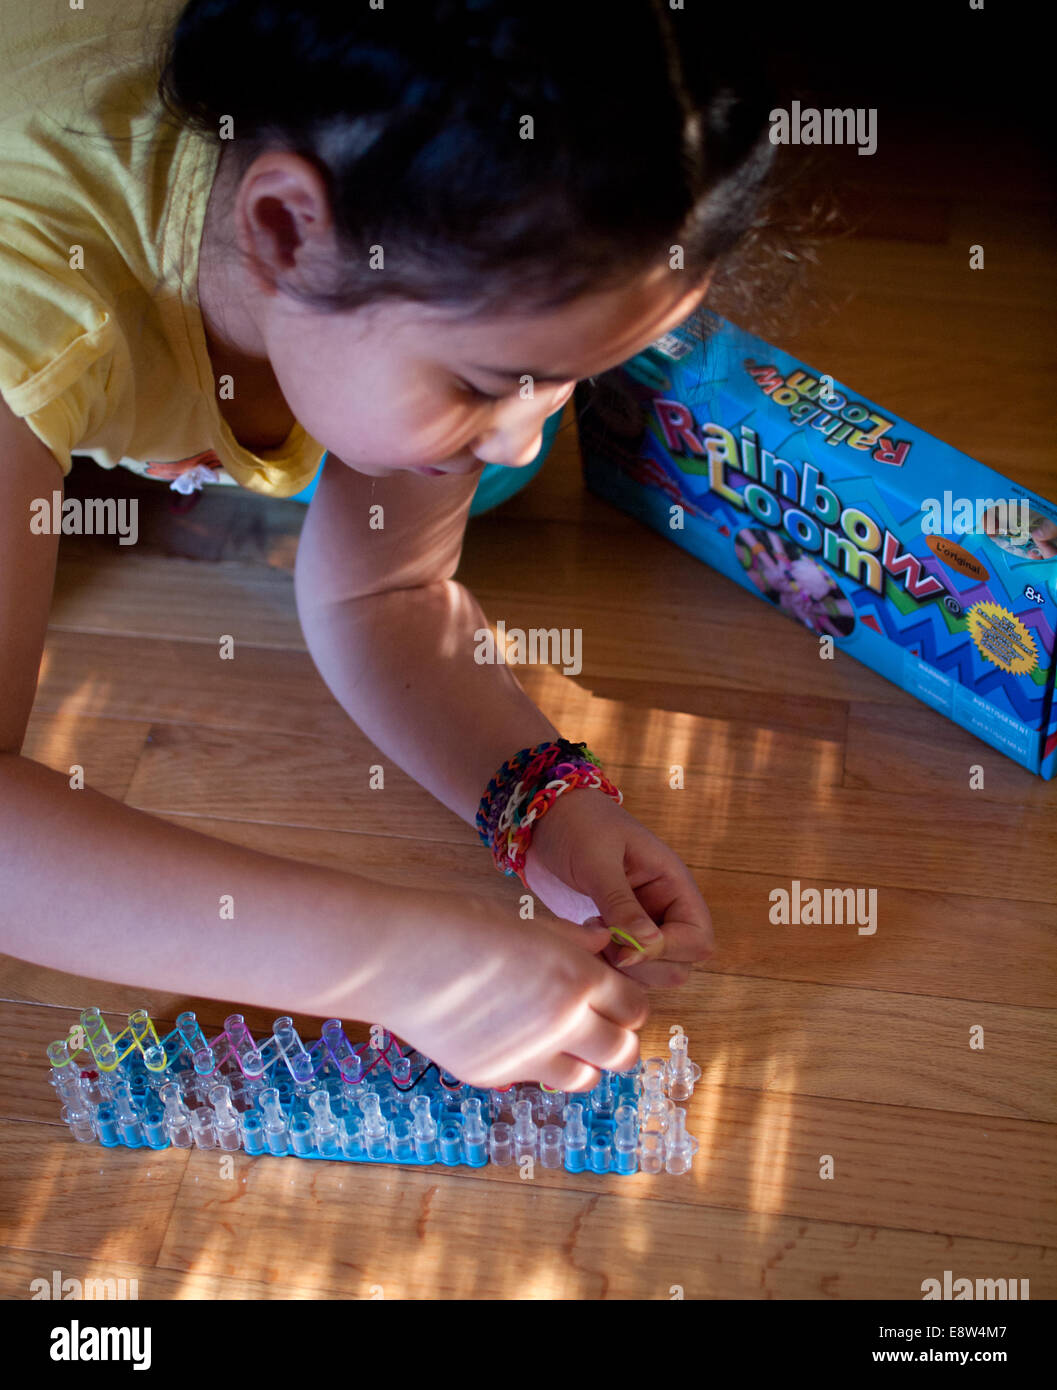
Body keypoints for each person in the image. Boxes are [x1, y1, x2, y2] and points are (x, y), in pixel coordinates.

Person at [0, 0, 782, 1090]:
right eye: (485, 382)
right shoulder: (31, 307)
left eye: (568, 378)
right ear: (281, 233)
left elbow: (388, 594)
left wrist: (544, 804)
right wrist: (394, 965)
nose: (526, 433)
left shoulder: (380, 198)